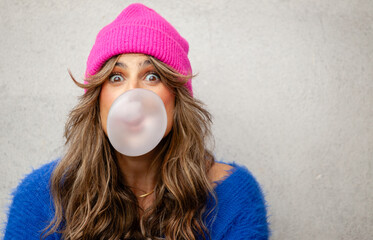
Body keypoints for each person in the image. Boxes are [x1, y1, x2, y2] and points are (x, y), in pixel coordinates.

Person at [4, 3, 269, 240]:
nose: (133, 93)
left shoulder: (232, 195)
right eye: (116, 77)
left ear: (177, 99)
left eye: (152, 76)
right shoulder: (41, 198)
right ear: (97, 100)